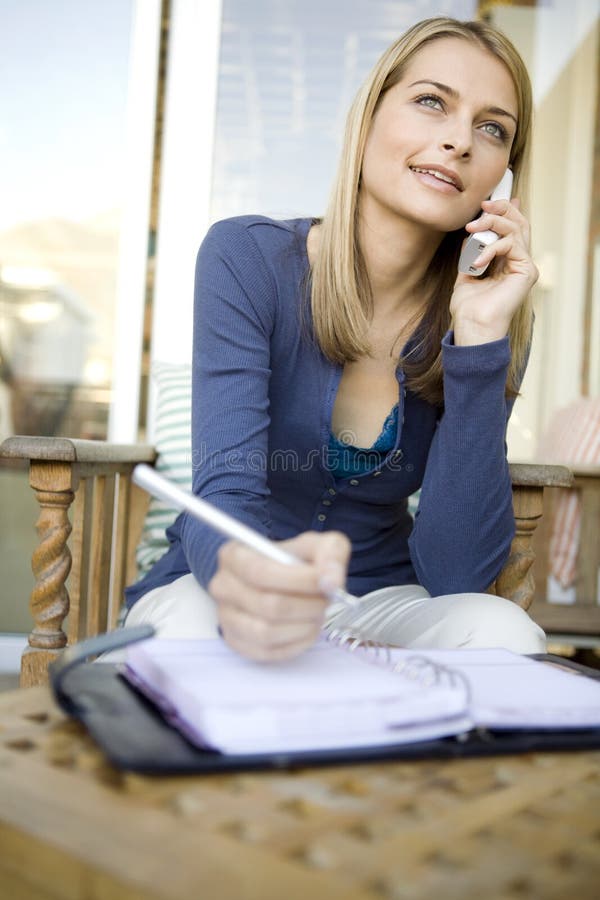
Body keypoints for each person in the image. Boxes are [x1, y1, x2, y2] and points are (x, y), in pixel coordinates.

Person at [124, 16, 546, 659]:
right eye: (432, 102)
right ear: (369, 117)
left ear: (501, 177)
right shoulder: (247, 257)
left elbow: (457, 574)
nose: (459, 141)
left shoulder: (494, 314)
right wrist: (258, 584)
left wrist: (479, 340)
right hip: (224, 584)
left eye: (492, 129)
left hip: (377, 603)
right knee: (184, 628)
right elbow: (228, 490)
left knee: (502, 634)